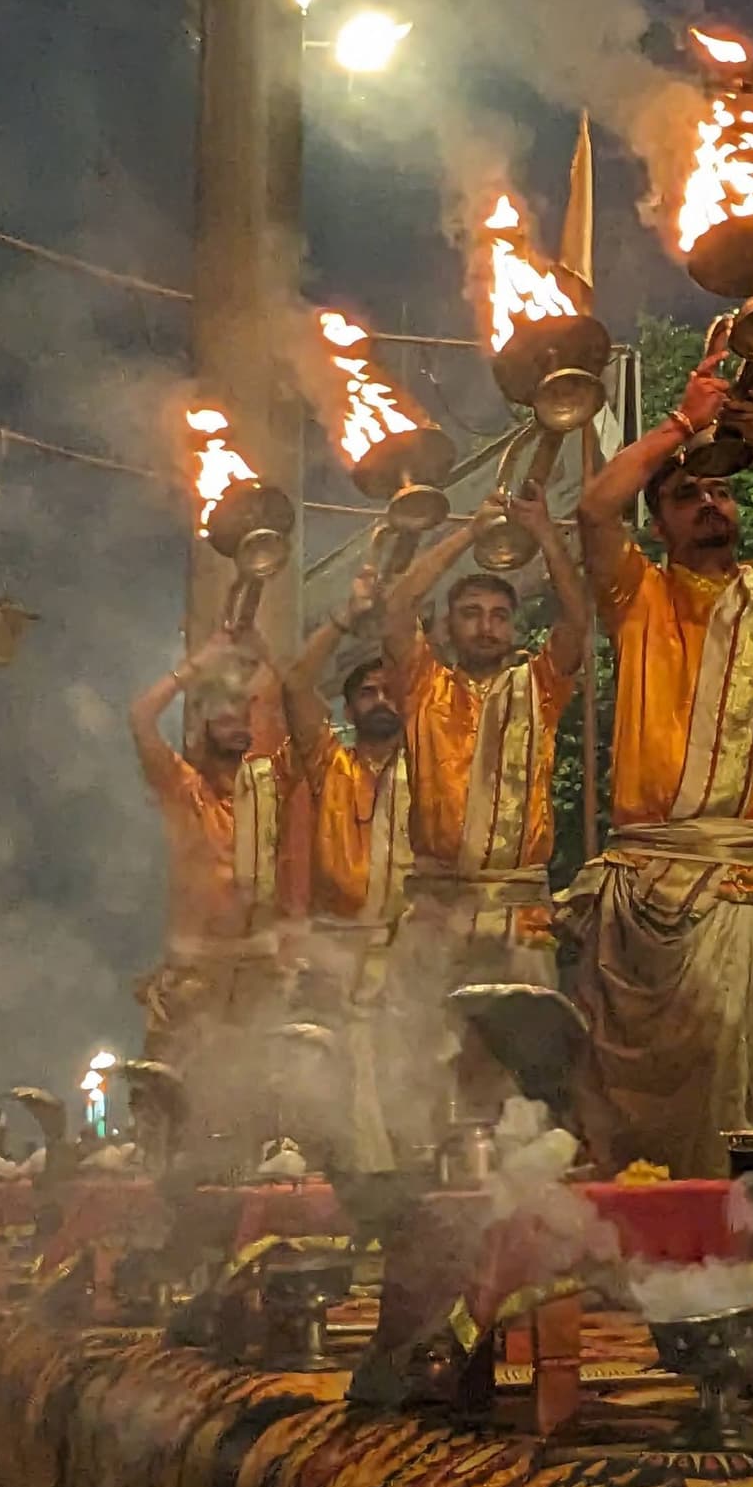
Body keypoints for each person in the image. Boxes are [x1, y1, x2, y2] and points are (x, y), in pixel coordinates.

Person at [569, 367, 753, 1176]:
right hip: (650, 881)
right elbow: (591, 509)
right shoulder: (637, 593)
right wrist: (678, 423)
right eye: (688, 494)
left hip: (752, 880)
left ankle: (736, 1236)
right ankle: (647, 1237)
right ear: (658, 522)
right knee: (630, 1083)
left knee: (738, 1061)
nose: (710, 504)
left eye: (722, 491)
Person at [377, 492, 586, 1008]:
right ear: (447, 627)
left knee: (522, 1069)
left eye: (498, 615)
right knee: (422, 1066)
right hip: (435, 910)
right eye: (470, 614)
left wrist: (543, 533)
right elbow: (399, 606)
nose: (486, 626)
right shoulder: (424, 686)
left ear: (513, 628)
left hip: (520, 912)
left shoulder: (537, 688)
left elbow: (577, 624)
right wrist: (471, 532)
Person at [127, 626, 298, 1145]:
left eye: (242, 712)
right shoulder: (184, 789)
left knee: (255, 1096)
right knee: (175, 1096)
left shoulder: (270, 787)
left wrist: (261, 648)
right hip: (195, 973)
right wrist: (195, 666)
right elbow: (139, 718)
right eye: (220, 713)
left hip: (259, 972)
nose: (235, 721)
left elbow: (291, 693)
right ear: (200, 729)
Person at [279, 575, 415, 1171]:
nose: (381, 701)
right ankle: (355, 1209)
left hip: (413, 950)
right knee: (339, 1090)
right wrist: (343, 618)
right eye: (367, 693)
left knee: (415, 1083)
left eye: (391, 691)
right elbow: (293, 684)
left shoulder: (436, 766)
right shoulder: (328, 762)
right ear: (349, 708)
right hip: (338, 954)